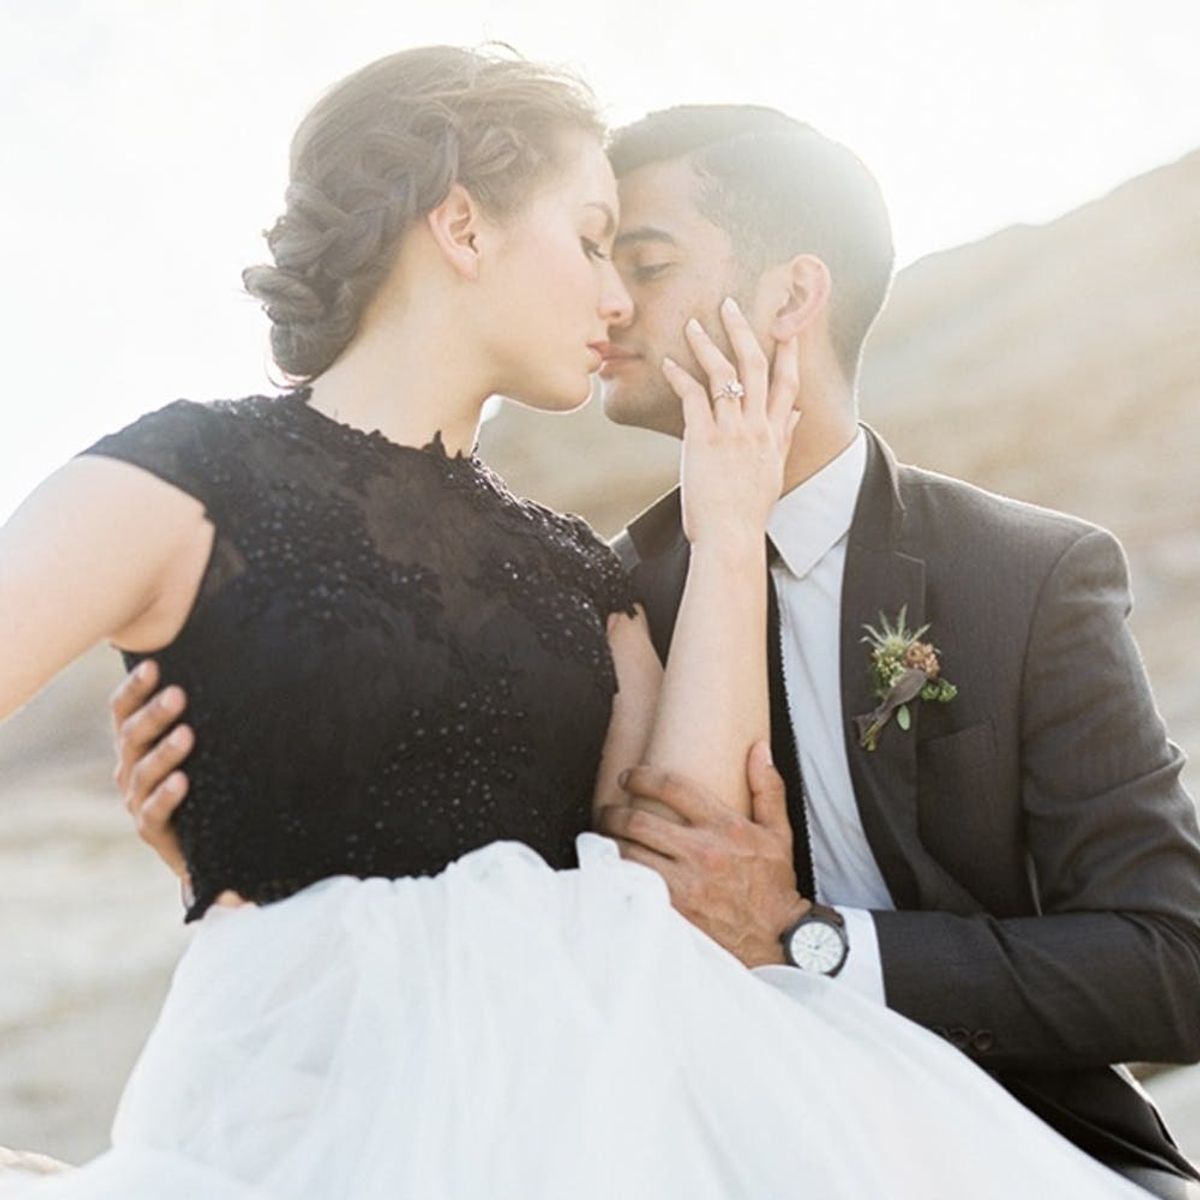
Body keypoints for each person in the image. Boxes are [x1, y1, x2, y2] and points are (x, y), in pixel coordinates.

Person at [2, 49, 1163, 1197]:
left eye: (634, 254)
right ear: (463, 230)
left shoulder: (598, 574)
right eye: (595, 242)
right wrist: (246, 827)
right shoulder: (201, 479)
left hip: (765, 1106)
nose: (614, 302)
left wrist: (728, 529)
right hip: (372, 1089)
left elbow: (680, 871)